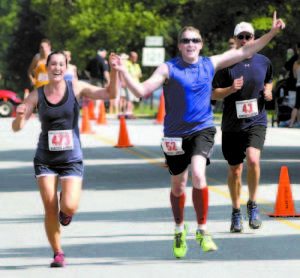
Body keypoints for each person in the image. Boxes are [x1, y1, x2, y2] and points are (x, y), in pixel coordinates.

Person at [111, 12, 285, 259]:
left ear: (201, 44)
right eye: (185, 41)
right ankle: (179, 229)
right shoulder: (167, 68)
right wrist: (121, 71)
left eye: (194, 40)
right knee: (178, 185)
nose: (190, 44)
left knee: (199, 174)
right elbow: (140, 91)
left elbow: (246, 51)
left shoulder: (209, 63)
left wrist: (272, 33)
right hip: (174, 136)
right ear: (179, 45)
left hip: (202, 130)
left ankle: (202, 229)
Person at [12, 51, 118, 267]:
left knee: (69, 206)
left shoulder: (76, 87)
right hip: (45, 158)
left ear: (67, 67)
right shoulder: (36, 95)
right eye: (53, 64)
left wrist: (115, 72)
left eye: (61, 64)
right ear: (47, 68)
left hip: (71, 158)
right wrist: (19, 115)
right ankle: (57, 252)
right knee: (49, 206)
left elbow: (110, 94)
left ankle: (65, 211)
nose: (57, 68)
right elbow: (17, 128)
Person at [212, 22, 274, 233]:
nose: (245, 40)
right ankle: (236, 211)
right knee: (235, 170)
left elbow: (269, 81)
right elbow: (213, 93)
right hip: (232, 124)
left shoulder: (264, 61)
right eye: (241, 37)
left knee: (253, 159)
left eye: (249, 36)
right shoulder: (226, 64)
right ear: (236, 39)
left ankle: (253, 205)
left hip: (256, 120)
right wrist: (230, 89)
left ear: (254, 38)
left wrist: (268, 91)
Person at [85, 48, 110, 114]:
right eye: (105, 53)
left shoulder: (92, 60)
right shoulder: (102, 60)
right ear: (102, 53)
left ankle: (93, 109)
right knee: (99, 94)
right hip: (99, 80)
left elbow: (86, 70)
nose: (105, 55)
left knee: (93, 94)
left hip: (93, 79)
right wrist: (108, 81)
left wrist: (90, 77)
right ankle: (96, 110)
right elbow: (105, 72)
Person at [124, 51, 142, 119]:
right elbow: (125, 73)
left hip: (136, 84)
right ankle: (127, 113)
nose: (135, 58)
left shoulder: (136, 65)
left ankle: (130, 112)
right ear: (130, 57)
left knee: (134, 99)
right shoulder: (127, 64)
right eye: (134, 57)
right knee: (129, 99)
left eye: (136, 57)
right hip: (129, 84)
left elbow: (140, 74)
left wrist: (135, 75)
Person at [289, 48, 300, 127]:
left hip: (298, 85)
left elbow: (295, 76)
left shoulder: (296, 63)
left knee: (297, 105)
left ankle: (292, 123)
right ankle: (296, 122)